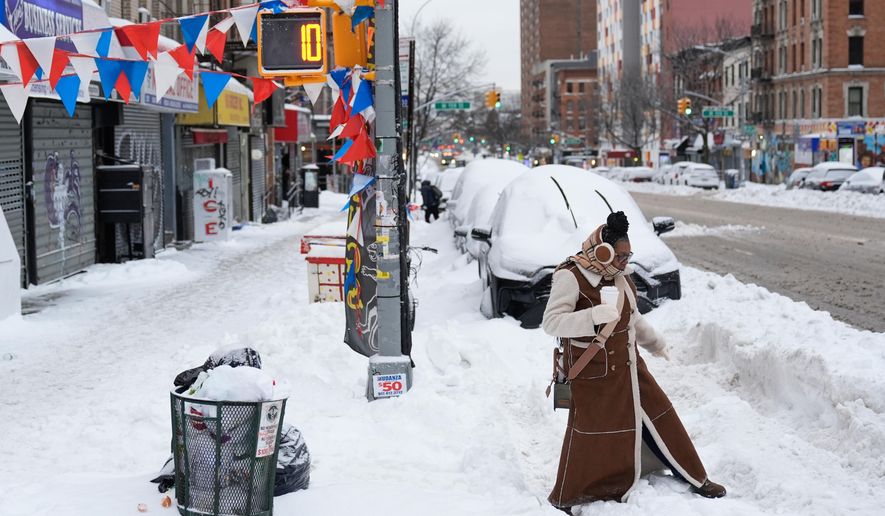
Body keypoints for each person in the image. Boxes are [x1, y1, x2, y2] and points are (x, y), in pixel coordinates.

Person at [542, 211, 725, 514]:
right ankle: (575, 493)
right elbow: (552, 323)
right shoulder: (570, 276)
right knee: (593, 435)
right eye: (621, 255)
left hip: (630, 366)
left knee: (661, 416)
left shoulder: (620, 278)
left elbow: (632, 319)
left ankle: (694, 476)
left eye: (629, 255)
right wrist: (591, 317)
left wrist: (656, 343)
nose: (627, 262)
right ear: (603, 251)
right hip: (592, 374)